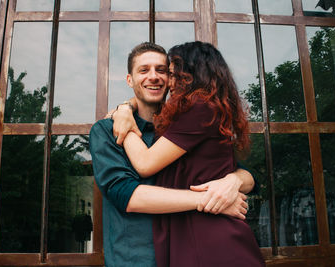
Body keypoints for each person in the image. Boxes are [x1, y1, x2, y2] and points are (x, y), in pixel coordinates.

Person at [90, 42, 257, 267]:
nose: (154, 77)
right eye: (143, 70)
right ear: (129, 80)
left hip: (186, 250)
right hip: (135, 258)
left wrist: (234, 180)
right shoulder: (105, 131)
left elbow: (236, 171)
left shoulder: (180, 123)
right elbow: (125, 193)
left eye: (163, 71)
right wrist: (124, 111)